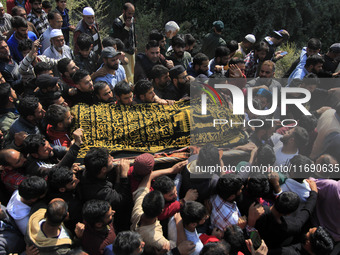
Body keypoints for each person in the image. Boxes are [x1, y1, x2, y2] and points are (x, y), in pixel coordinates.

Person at [80, 148, 132, 232]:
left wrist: (118, 176)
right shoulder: (100, 192)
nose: (112, 158)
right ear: (103, 169)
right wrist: (123, 175)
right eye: (110, 159)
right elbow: (121, 199)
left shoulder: (89, 170)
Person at [111, 2, 136, 83]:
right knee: (126, 73)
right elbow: (119, 39)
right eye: (129, 13)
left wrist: (135, 46)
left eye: (132, 14)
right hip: (124, 52)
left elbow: (132, 34)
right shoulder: (117, 22)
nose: (131, 16)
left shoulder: (131, 20)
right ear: (124, 11)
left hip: (131, 50)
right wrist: (126, 27)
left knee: (133, 72)